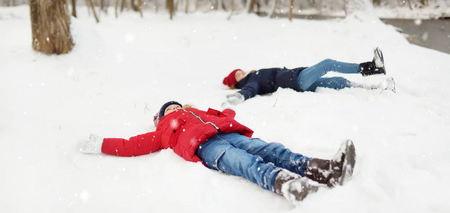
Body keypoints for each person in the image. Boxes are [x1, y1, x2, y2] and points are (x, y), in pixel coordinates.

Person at [80, 101, 356, 204]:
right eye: (168, 109)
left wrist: (227, 108)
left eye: (176, 106)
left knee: (269, 149)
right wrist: (101, 144)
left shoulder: (198, 112)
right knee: (244, 162)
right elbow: (131, 145)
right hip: (208, 147)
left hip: (228, 133)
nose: (173, 110)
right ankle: (288, 185)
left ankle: (326, 169)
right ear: (161, 117)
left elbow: (225, 114)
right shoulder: (163, 130)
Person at [222, 47, 395, 105]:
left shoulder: (253, 75)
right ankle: (372, 68)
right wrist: (239, 96)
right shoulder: (251, 81)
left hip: (297, 82)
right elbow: (251, 90)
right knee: (328, 63)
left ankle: (377, 88)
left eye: (240, 70)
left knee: (338, 82)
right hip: (295, 80)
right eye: (238, 75)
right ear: (236, 83)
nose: (241, 72)